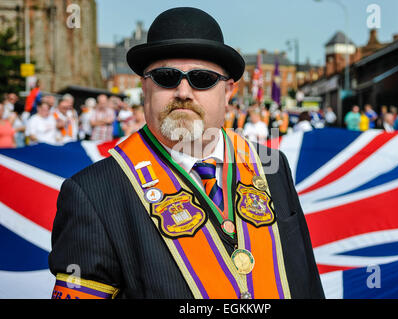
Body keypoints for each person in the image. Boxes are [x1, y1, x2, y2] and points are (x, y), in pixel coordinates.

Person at [49, 7, 324, 300]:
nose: (183, 91)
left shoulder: (271, 165)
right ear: (145, 86)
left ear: (229, 90)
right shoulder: (92, 193)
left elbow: (304, 278)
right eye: (166, 77)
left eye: (202, 78)